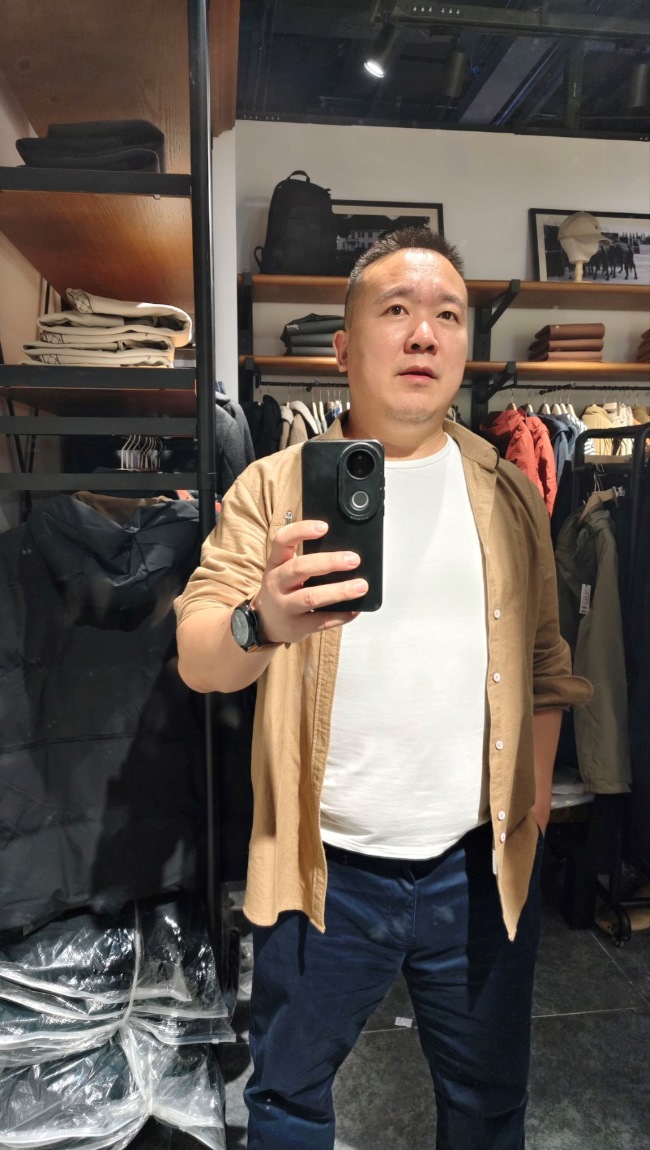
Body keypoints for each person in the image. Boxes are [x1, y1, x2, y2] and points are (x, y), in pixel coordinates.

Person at [175, 227, 591, 1150]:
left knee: (488, 1108)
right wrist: (261, 621)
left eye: (447, 315)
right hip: (322, 872)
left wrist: (530, 811)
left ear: (464, 345)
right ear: (342, 346)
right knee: (287, 1105)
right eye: (395, 310)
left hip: (478, 870)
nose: (423, 334)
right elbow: (198, 656)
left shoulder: (509, 494)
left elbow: (545, 662)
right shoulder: (274, 488)